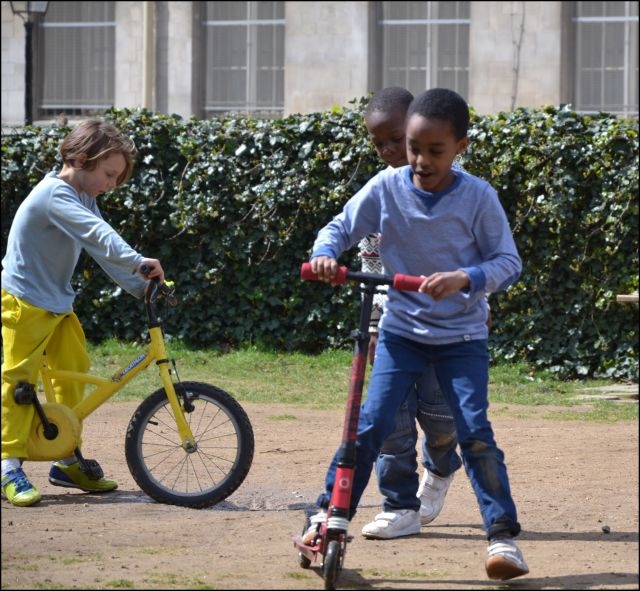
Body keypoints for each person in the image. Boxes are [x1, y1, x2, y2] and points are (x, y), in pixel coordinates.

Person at [303, 88, 528, 580]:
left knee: (474, 432)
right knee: (370, 424)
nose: (420, 161)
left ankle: (502, 537)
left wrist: (465, 278)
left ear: (461, 147)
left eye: (435, 151)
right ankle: (327, 514)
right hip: (402, 331)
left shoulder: (478, 197)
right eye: (412, 148)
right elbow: (340, 227)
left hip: (462, 338)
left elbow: (508, 262)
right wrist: (325, 253)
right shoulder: (386, 188)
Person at [1, 118, 165, 507]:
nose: (111, 184)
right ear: (79, 157)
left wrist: (143, 288)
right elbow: (99, 236)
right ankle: (8, 465)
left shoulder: (82, 198)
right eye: (109, 174)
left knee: (71, 376)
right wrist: (139, 260)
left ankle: (65, 458)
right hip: (23, 301)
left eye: (117, 177)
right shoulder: (54, 195)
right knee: (18, 382)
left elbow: (101, 252)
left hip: (57, 303)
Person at [357, 87, 461, 540]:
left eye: (397, 139)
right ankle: (399, 505)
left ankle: (440, 467)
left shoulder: (458, 190)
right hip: (395, 326)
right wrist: (378, 322)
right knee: (391, 422)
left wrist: (481, 303)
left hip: (447, 329)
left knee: (441, 418)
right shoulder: (379, 192)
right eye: (380, 143)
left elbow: (476, 258)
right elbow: (371, 264)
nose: (390, 151)